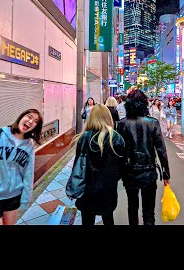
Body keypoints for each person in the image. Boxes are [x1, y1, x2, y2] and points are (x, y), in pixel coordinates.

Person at [116, 89, 170, 225]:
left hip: (130, 172)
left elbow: (119, 152)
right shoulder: (152, 123)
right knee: (148, 211)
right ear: (144, 104)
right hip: (149, 172)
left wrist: (118, 172)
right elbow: (161, 150)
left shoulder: (122, 124)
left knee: (132, 208)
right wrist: (166, 174)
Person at [68, 104, 126, 226]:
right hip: (108, 190)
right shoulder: (116, 138)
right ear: (108, 118)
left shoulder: (83, 138)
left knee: (87, 221)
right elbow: (121, 168)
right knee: (108, 219)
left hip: (86, 191)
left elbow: (77, 165)